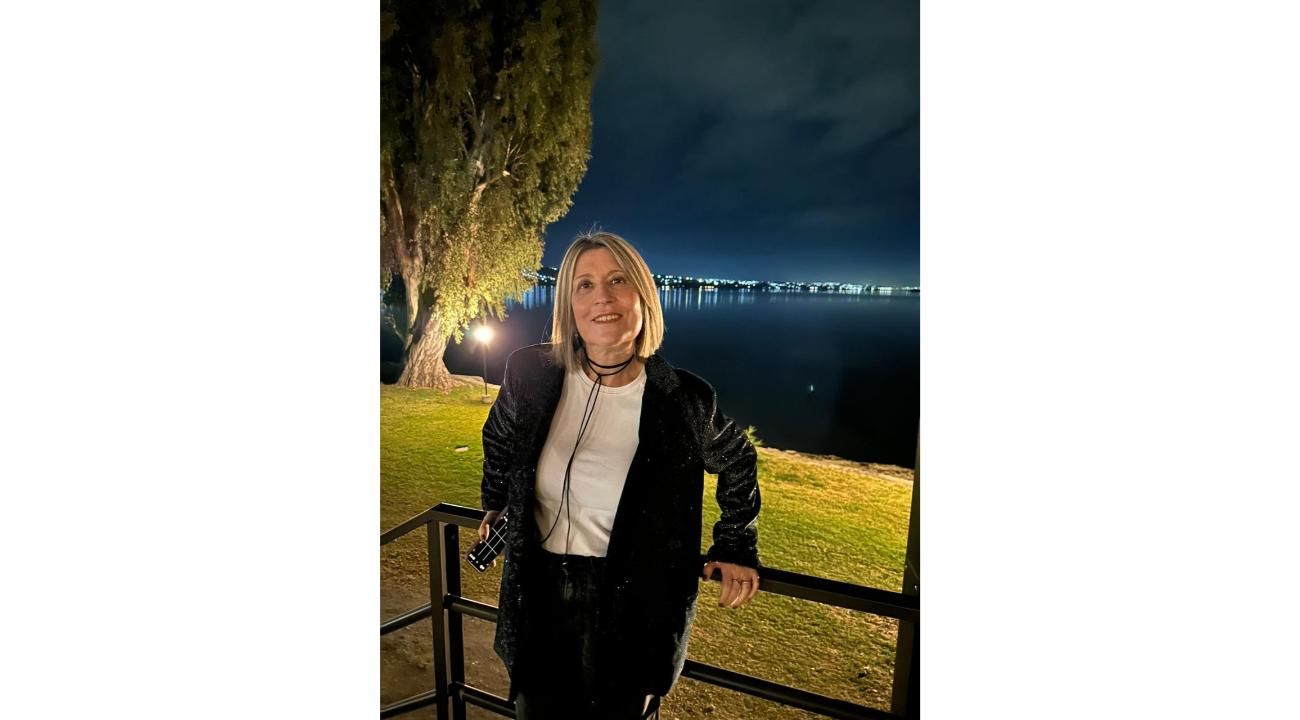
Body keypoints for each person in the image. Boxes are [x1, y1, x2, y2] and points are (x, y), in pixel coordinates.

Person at [478, 231, 762, 720]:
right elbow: (499, 436)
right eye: (584, 285)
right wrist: (496, 502)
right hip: (537, 596)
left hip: (633, 606)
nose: (602, 298)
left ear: (643, 297)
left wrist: (734, 545)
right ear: (568, 304)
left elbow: (738, 461)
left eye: (617, 281)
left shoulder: (683, 399)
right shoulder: (530, 373)